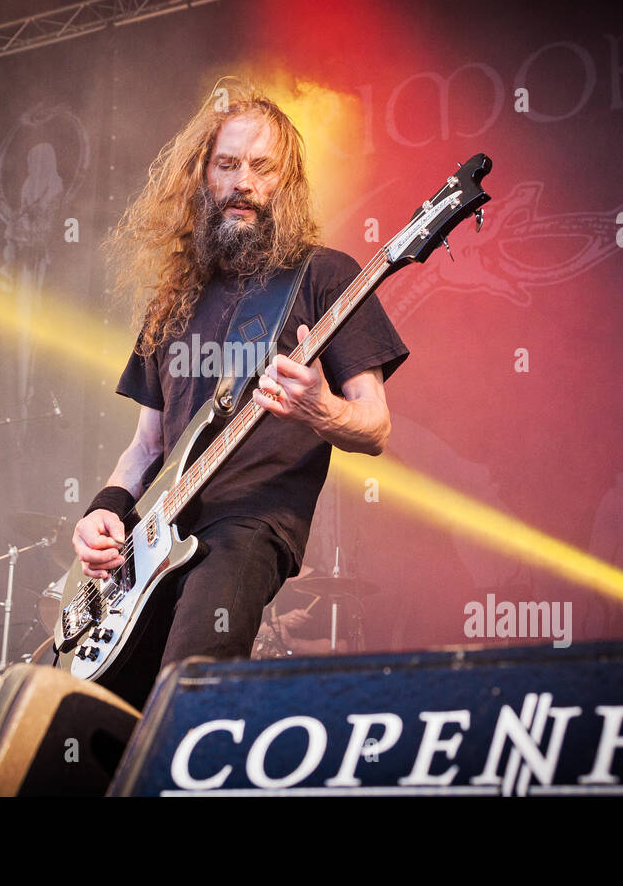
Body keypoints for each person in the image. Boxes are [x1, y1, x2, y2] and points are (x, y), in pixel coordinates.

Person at [70, 82, 409, 707]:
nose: (242, 182)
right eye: (227, 165)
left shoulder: (325, 275)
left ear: (287, 182)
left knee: (186, 691)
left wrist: (321, 408)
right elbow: (146, 446)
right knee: (100, 714)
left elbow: (376, 426)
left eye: (261, 167)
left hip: (250, 521)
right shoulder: (172, 298)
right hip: (151, 544)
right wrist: (104, 511)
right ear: (203, 175)